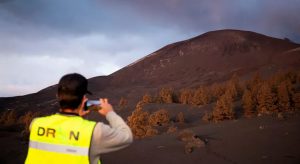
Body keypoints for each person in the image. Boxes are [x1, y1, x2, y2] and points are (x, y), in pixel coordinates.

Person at [25, 73, 133, 164]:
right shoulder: (94, 132)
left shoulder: (36, 124)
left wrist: (76, 117)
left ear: (58, 96)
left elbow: (60, 135)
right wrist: (110, 112)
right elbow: (127, 137)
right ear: (84, 99)